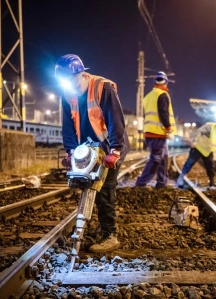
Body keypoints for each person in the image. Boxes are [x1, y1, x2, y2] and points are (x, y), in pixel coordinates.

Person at [55, 54, 129, 252]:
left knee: (105, 189)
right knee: (89, 185)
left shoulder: (102, 87)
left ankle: (110, 235)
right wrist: (71, 152)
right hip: (87, 148)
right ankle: (103, 226)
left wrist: (114, 151)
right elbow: (68, 126)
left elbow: (115, 120)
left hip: (109, 145)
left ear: (82, 74)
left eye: (70, 80)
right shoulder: (67, 94)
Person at [135, 71, 177, 188]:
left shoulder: (148, 96)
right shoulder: (162, 95)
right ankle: (141, 183)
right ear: (166, 83)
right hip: (158, 132)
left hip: (150, 132)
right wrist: (169, 129)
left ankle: (162, 183)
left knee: (163, 158)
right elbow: (163, 113)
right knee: (156, 159)